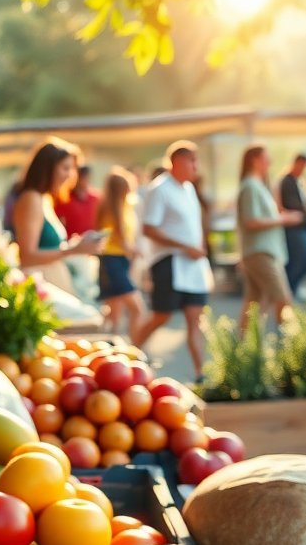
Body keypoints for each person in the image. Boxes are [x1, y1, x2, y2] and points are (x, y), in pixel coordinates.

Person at [133, 140, 212, 375]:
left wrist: (198, 248)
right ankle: (129, 353)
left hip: (193, 266)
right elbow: (149, 228)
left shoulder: (189, 189)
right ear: (178, 161)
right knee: (162, 315)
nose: (196, 166)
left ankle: (201, 375)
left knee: (195, 319)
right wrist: (184, 247)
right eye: (192, 161)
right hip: (169, 263)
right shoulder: (159, 189)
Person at [10, 138, 104, 294]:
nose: (70, 175)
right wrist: (72, 250)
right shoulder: (31, 199)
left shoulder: (44, 199)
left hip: (53, 282)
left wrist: (76, 246)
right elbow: (27, 257)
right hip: (42, 286)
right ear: (47, 168)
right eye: (65, 168)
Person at [236, 145, 301, 327]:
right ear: (254, 160)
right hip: (260, 252)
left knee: (254, 303)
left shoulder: (258, 185)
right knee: (283, 299)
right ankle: (292, 340)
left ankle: (245, 342)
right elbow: (251, 221)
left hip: (264, 251)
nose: (270, 163)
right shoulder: (250, 186)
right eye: (266, 159)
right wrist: (283, 219)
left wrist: (282, 216)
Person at [94, 168, 146, 344]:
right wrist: (136, 251)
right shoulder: (112, 210)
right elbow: (121, 240)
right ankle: (136, 346)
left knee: (115, 312)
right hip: (112, 260)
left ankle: (111, 346)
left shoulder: (124, 207)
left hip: (120, 260)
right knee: (136, 308)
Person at [278, 154, 306, 295]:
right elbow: (292, 205)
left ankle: (291, 291)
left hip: (301, 226)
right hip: (293, 228)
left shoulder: (299, 181)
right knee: (300, 261)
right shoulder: (287, 181)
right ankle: (289, 291)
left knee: (302, 262)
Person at [55, 165, 100, 237]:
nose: (86, 181)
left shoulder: (96, 198)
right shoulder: (64, 198)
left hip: (91, 241)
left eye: (88, 178)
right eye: (83, 178)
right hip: (70, 241)